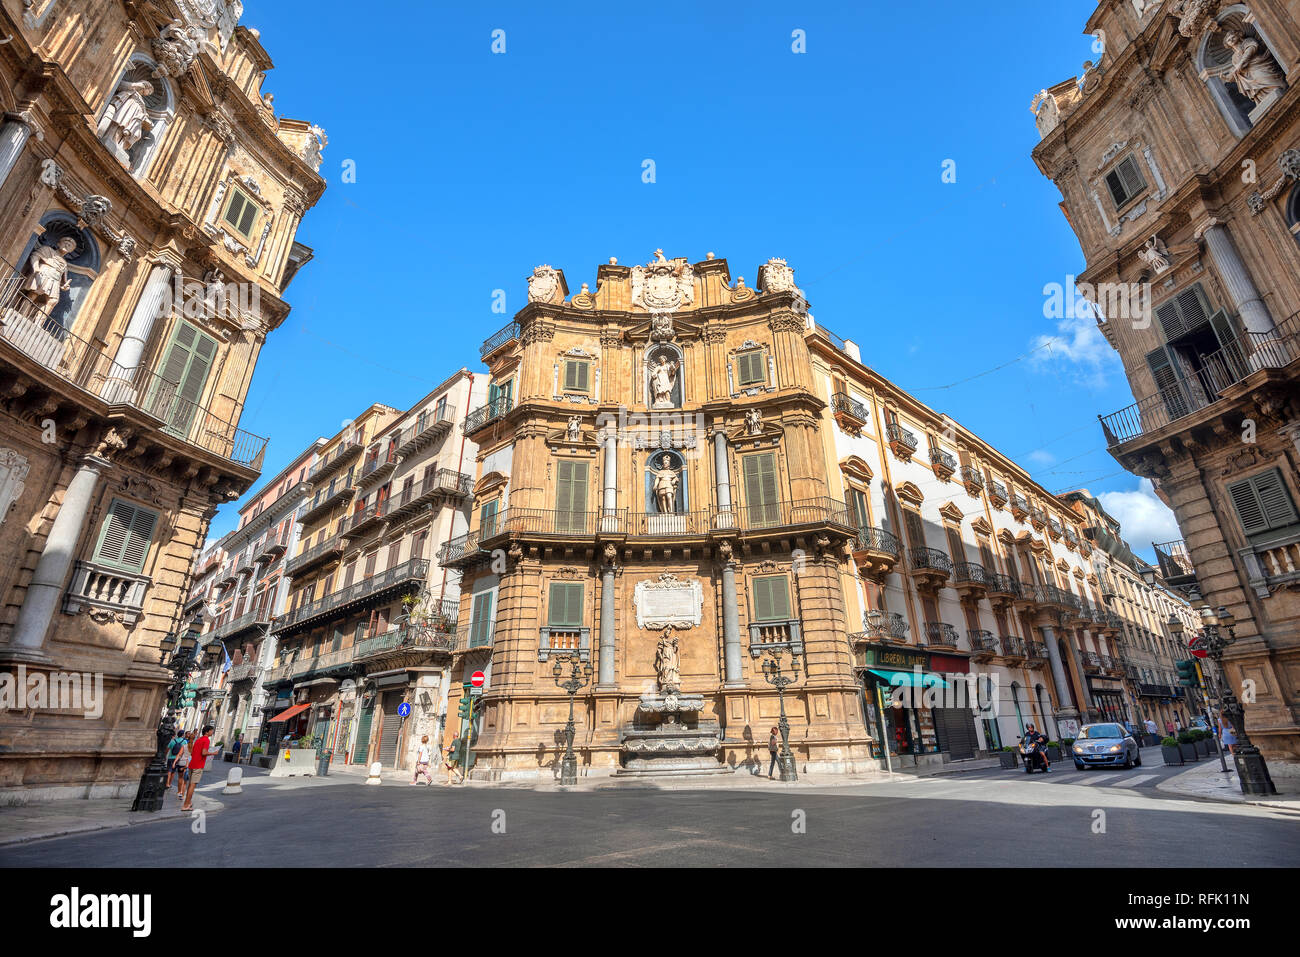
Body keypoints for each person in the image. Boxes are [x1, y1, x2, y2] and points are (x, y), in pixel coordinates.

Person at [182, 724, 214, 812]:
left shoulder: (198, 740)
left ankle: (188, 803)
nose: (212, 732)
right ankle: (185, 805)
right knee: (193, 785)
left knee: (190, 785)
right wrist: (213, 753)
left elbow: (193, 753)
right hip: (198, 765)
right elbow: (204, 753)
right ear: (207, 732)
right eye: (211, 730)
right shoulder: (206, 740)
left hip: (192, 764)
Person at [173, 731, 194, 798]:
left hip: (181, 763)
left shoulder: (184, 746)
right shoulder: (194, 747)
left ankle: (179, 792)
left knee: (180, 778)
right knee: (185, 781)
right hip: (189, 764)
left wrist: (174, 762)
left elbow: (179, 755)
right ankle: (182, 794)